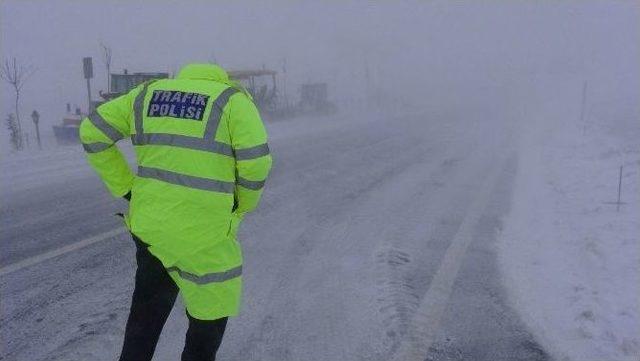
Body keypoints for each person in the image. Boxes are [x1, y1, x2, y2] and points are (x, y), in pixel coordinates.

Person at [79, 63, 272, 361]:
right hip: (206, 236)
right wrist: (242, 204)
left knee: (147, 313)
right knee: (209, 315)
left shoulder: (146, 95)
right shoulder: (232, 100)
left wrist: (127, 188)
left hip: (152, 229)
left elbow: (91, 132)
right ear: (221, 77)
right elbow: (256, 164)